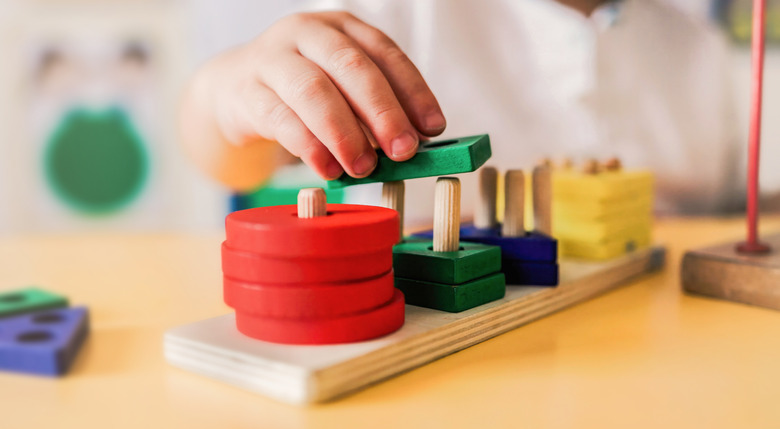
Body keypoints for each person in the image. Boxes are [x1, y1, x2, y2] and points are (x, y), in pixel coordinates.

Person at [181, 0, 742, 223]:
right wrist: (224, 93)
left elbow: (731, 212)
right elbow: (227, 157)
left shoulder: (697, 46)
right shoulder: (385, 14)